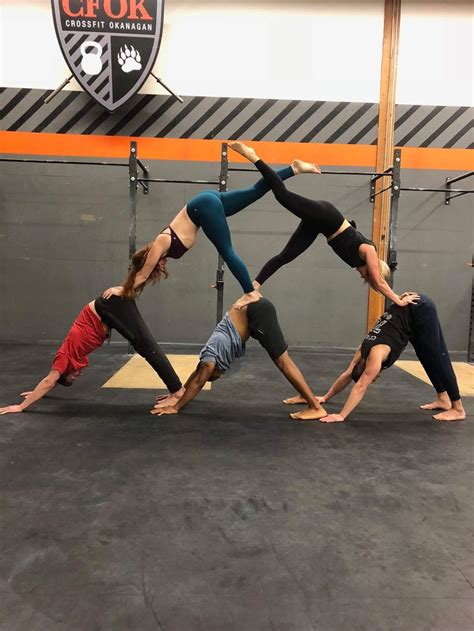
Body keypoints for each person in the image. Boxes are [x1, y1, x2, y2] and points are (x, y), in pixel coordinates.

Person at [103, 159, 321, 310]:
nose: (159, 268)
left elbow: (141, 274)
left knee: (227, 251)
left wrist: (122, 289)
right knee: (255, 191)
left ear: (147, 259)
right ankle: (294, 168)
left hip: (203, 208)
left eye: (154, 266)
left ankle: (250, 291)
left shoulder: (159, 244)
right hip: (205, 203)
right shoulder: (164, 247)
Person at [228, 142, 418, 309]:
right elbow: (378, 281)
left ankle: (251, 290)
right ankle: (255, 157)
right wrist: (397, 300)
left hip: (320, 226)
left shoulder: (361, 260)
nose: (362, 277)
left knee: (284, 256)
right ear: (372, 268)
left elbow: (377, 284)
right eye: (365, 276)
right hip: (326, 217)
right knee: (282, 196)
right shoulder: (369, 251)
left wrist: (395, 296)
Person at [284, 293, 466, 423]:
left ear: (366, 367)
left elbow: (361, 385)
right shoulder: (361, 351)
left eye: (374, 377)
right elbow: (348, 374)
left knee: (437, 357)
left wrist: (341, 415)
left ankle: (458, 409)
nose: (376, 378)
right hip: (408, 312)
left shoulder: (375, 356)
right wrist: (325, 396)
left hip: (420, 308)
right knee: (425, 356)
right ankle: (443, 398)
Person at [0, 294, 184, 415]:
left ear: (65, 371)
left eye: (72, 376)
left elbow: (49, 381)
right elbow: (53, 381)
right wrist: (37, 393)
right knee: (145, 347)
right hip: (107, 313)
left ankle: (177, 391)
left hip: (106, 307)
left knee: (147, 348)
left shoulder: (64, 357)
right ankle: (176, 389)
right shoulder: (72, 358)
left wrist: (21, 406)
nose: (78, 375)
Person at [153, 298, 327, 421]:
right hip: (253, 312)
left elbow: (199, 380)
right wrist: (181, 392)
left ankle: (316, 408)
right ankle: (305, 396)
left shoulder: (209, 362)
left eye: (213, 377)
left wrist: (175, 407)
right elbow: (198, 374)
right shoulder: (208, 357)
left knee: (283, 362)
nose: (216, 377)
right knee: (283, 361)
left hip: (257, 313)